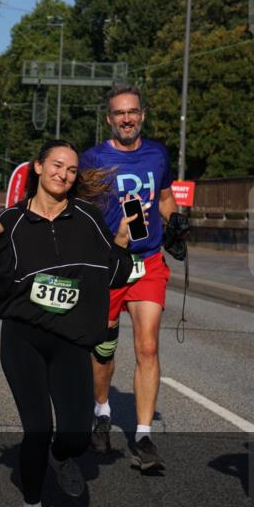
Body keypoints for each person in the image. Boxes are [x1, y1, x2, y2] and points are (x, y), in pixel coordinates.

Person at [0, 139, 136, 507]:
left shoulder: (89, 217)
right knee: (38, 428)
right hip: (23, 337)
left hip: (69, 340)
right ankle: (31, 505)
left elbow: (113, 275)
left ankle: (62, 458)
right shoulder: (10, 220)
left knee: (77, 433)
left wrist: (122, 243)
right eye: (57, 165)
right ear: (39, 167)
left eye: (71, 169)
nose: (64, 174)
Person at [80, 85, 183, 471]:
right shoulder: (93, 158)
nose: (127, 119)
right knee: (103, 348)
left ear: (142, 115)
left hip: (148, 262)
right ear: (109, 119)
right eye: (119, 113)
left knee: (148, 347)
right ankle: (102, 411)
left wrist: (176, 222)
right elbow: (82, 208)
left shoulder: (157, 153)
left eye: (133, 112)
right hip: (109, 263)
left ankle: (143, 436)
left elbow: (166, 196)